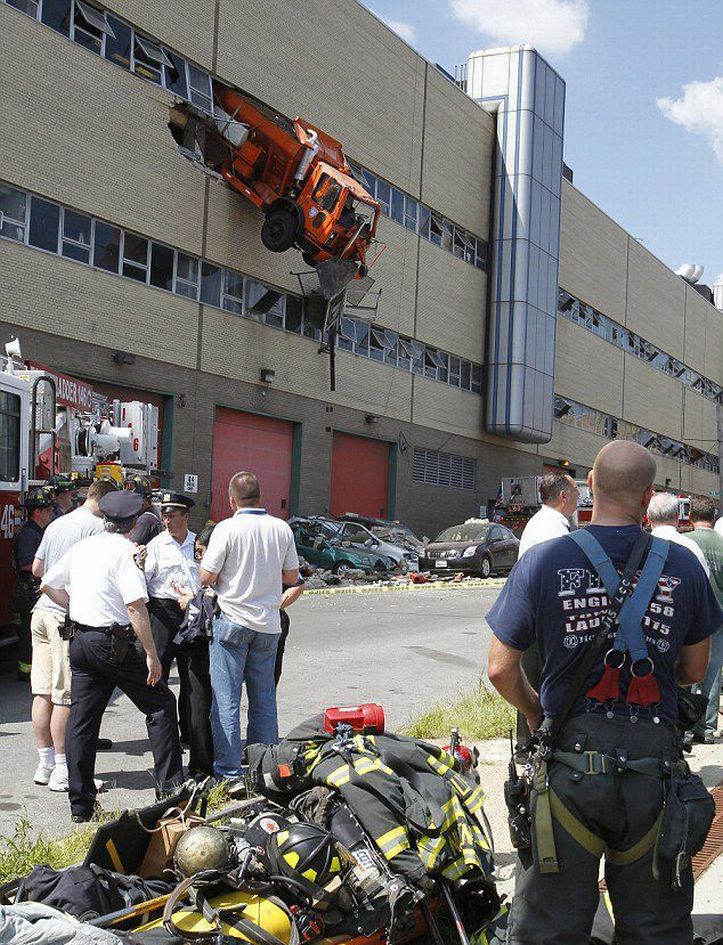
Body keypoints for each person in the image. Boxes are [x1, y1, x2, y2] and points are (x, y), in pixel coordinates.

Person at [486, 440, 720, 945]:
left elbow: (500, 669)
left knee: (550, 930)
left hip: (568, 772)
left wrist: (534, 713)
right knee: (654, 928)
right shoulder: (683, 567)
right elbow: (694, 669)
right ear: (650, 495)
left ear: (590, 486)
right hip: (652, 778)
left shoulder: (545, 560)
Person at [40, 490, 183, 823]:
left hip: (80, 638)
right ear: (133, 524)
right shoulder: (125, 552)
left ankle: (81, 805)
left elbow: (47, 583)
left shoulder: (83, 547)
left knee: (82, 721)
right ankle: (172, 790)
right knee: (160, 705)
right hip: (111, 641)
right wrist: (151, 654)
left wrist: (74, 607)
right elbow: (135, 607)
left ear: (104, 520)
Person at [199, 472, 299, 784]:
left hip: (231, 620)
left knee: (226, 702)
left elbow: (206, 577)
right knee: (264, 699)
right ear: (260, 497)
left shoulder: (227, 529)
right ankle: (265, 769)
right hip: (268, 625)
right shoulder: (281, 528)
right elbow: (292, 576)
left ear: (231, 500)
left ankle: (229, 774)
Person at [29, 479, 118, 790]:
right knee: (65, 696)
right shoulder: (97, 528)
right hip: (63, 613)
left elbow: (38, 569)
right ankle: (65, 770)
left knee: (42, 692)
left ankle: (45, 764)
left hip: (40, 610)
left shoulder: (57, 523)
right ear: (105, 501)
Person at [144, 493, 213, 777]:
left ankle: (201, 761)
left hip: (193, 614)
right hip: (163, 614)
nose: (168, 520)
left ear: (186, 516)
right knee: (155, 681)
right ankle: (167, 748)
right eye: (165, 515)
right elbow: (143, 584)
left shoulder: (198, 544)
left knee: (197, 685)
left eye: (173, 515)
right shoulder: (155, 546)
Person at [516, 473, 579, 746]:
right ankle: (533, 743)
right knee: (541, 682)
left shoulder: (544, 523)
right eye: (577, 493)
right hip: (543, 619)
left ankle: (529, 743)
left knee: (534, 680)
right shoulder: (551, 529)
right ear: (564, 496)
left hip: (536, 616)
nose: (580, 498)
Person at [686, 496, 723, 744]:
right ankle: (707, 728)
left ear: (690, 517)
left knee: (686, 672)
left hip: (689, 617)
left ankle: (686, 723)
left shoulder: (684, 542)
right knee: (713, 672)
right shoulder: (722, 544)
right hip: (718, 616)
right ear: (713, 517)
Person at [12, 487, 56, 681]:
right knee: (29, 634)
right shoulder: (29, 535)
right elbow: (26, 564)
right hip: (28, 589)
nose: (51, 513)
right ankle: (25, 672)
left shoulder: (38, 532)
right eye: (48, 510)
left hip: (32, 589)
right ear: (37, 512)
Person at [647, 492, 710, 577]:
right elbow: (704, 579)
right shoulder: (691, 547)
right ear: (677, 517)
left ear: (648, 519)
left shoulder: (637, 547)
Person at [517, 472, 579, 559]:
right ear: (563, 496)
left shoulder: (546, 521)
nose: (579, 495)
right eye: (576, 489)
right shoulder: (551, 528)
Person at [276, 577, 305, 686]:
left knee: (269, 677)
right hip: (233, 619)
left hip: (272, 621)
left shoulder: (278, 558)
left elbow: (298, 584)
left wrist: (275, 606)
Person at [126, 476, 162, 545]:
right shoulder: (146, 515)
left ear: (147, 499)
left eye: (134, 498)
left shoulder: (145, 520)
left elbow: (129, 548)